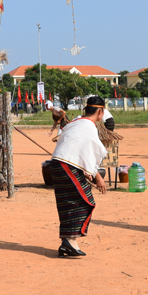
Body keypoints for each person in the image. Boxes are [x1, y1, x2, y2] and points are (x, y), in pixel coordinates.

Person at [48, 96, 108, 257]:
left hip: (58, 164)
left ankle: (66, 242)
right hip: (66, 164)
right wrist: (97, 176)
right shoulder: (88, 127)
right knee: (85, 201)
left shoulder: (77, 122)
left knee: (68, 202)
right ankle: (70, 240)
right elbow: (92, 152)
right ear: (100, 111)